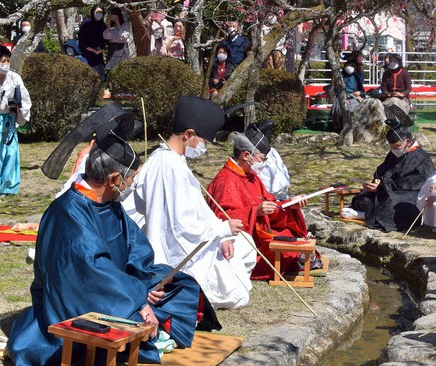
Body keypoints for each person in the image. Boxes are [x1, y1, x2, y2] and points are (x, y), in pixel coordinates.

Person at [7, 122, 203, 366]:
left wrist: (146, 284)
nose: (131, 184)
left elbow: (135, 248)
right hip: (77, 298)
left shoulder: (109, 203)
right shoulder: (68, 213)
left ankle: (152, 321)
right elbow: (90, 271)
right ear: (113, 179)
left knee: (178, 285)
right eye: (130, 178)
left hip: (116, 287)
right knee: (135, 322)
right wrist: (138, 298)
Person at [122, 96, 256, 310]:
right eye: (203, 141)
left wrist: (221, 236)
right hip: (175, 250)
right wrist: (221, 229)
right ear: (189, 134)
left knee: (245, 245)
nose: (204, 147)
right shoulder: (169, 165)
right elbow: (181, 225)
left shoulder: (167, 159)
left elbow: (189, 209)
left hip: (185, 238)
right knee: (238, 294)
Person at [207, 122, 317, 280]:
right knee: (287, 253)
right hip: (241, 240)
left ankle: (297, 259)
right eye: (261, 159)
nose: (263, 164)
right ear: (246, 155)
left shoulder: (251, 176)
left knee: (292, 236)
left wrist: (290, 204)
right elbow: (220, 217)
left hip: (260, 233)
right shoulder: (225, 181)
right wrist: (255, 211)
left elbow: (270, 204)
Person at [348, 119, 435, 232]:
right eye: (391, 146)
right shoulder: (395, 152)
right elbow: (383, 170)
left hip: (412, 193)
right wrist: (377, 182)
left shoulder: (421, 157)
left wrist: (384, 186)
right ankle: (367, 214)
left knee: (393, 203)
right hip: (389, 189)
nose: (394, 150)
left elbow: (412, 183)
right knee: (364, 196)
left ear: (407, 142)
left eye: (397, 146)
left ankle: (364, 215)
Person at [0, 45, 31, 197]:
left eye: (7, 61)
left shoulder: (14, 78)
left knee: (10, 152)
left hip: (9, 119)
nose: (5, 64)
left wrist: (19, 109)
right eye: (2, 61)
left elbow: (24, 99)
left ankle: (7, 186)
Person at [247, 120, 291, 199]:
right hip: (266, 200)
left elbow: (282, 170)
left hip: (283, 196)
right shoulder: (250, 157)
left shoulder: (272, 151)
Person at [79, 5, 106, 79]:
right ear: (93, 12)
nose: (99, 14)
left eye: (101, 12)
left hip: (98, 58)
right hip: (86, 55)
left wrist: (101, 49)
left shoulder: (102, 25)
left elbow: (104, 41)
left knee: (100, 78)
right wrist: (92, 49)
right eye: (97, 12)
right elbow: (82, 40)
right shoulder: (86, 23)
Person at [102, 7, 132, 73]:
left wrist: (118, 23)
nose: (114, 17)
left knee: (121, 70)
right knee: (111, 71)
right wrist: (109, 23)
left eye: (115, 15)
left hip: (122, 48)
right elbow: (107, 36)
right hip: (112, 49)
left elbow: (124, 36)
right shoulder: (111, 26)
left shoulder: (125, 24)